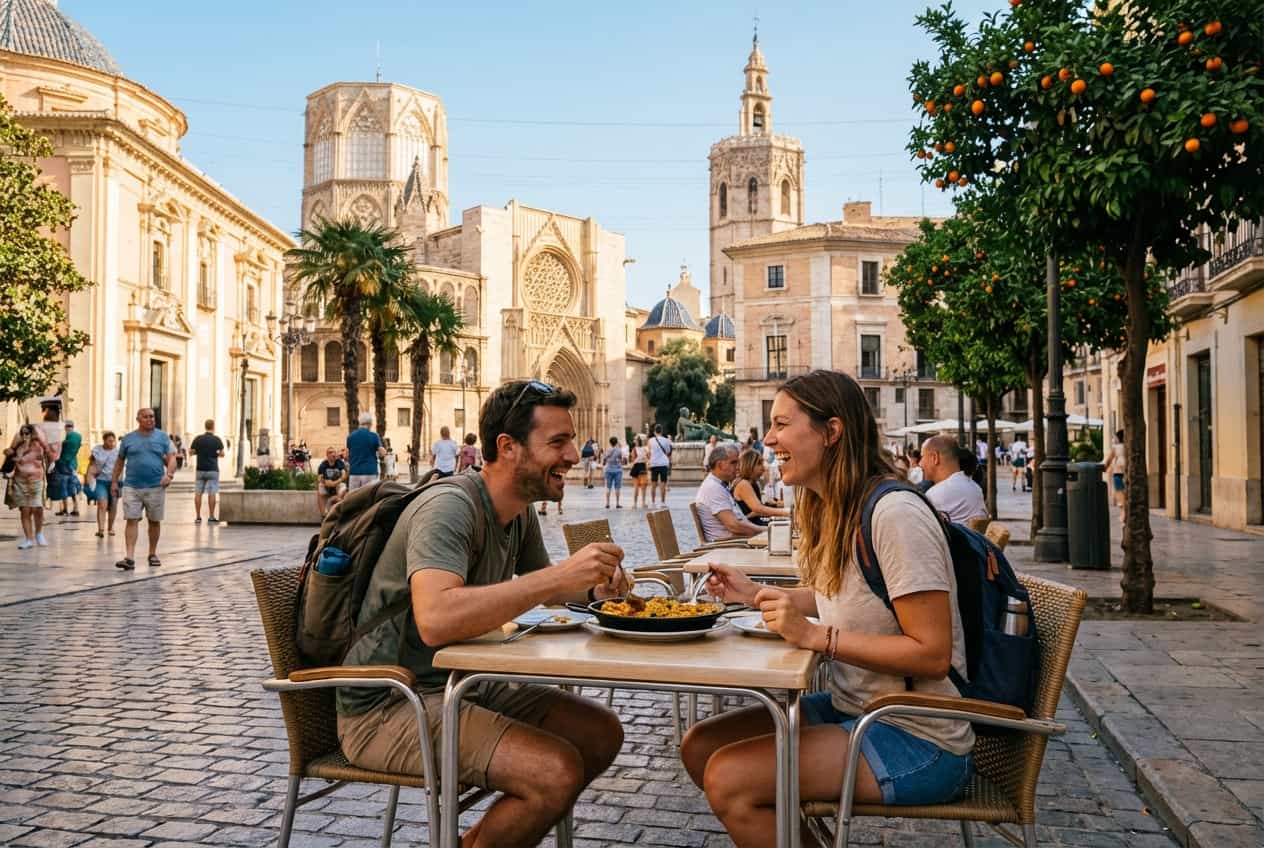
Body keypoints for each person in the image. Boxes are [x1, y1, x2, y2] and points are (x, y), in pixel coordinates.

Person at [682, 371, 974, 845]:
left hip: (916, 732)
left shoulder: (895, 513)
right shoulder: (835, 506)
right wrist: (752, 593)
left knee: (729, 779)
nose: (770, 438)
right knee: (700, 746)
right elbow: (840, 599)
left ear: (831, 431)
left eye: (782, 424)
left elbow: (932, 653)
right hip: (852, 708)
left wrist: (818, 638)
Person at [337, 379, 628, 845]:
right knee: (553, 772)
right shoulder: (450, 506)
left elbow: (552, 594)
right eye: (558, 442)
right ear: (508, 447)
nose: (574, 455)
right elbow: (436, 618)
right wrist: (557, 578)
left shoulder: (519, 511)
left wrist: (594, 589)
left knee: (599, 733)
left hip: (461, 686)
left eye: (571, 440)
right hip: (390, 703)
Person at [112, 408, 176, 570]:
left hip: (156, 486)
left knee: (154, 521)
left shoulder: (162, 437)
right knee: (131, 519)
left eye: (152, 417)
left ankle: (152, 553)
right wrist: (114, 482)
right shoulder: (128, 439)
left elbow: (172, 457)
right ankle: (129, 557)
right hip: (131, 486)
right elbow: (119, 462)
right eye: (146, 417)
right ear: (138, 419)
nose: (150, 419)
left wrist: (169, 475)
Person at [694, 443, 764, 542]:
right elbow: (734, 526)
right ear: (720, 465)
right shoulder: (713, 488)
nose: (738, 467)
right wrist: (766, 531)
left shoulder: (719, 485)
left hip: (736, 542)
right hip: (728, 546)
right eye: (733, 463)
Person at [919, 435, 987, 524]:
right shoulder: (975, 488)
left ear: (935, 458)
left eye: (922, 457)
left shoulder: (935, 495)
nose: (920, 463)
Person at [5, 423, 53, 549]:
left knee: (37, 508)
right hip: (20, 480)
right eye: (23, 433)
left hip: (36, 480)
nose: (25, 436)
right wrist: (10, 452)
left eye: (28, 433)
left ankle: (39, 533)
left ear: (33, 434)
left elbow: (51, 454)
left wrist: (40, 442)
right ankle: (28, 539)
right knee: (25, 510)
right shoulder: (18, 443)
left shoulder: (39, 444)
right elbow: (9, 453)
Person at [730, 448, 788, 526]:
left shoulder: (753, 483)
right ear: (749, 464)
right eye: (759, 463)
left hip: (754, 525)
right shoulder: (743, 484)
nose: (763, 468)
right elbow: (758, 509)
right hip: (750, 529)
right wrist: (786, 512)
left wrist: (776, 505)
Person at [189, 420, 225, 524]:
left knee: (198, 493)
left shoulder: (198, 439)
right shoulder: (217, 440)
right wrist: (216, 453)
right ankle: (211, 516)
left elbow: (191, 452)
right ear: (213, 427)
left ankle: (198, 517)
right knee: (212, 493)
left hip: (200, 469)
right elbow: (222, 454)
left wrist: (198, 452)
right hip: (213, 469)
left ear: (205, 426)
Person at [85, 431, 119, 538]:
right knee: (102, 504)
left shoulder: (118, 452)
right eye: (109, 441)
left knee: (113, 505)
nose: (112, 443)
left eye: (113, 441)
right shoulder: (97, 450)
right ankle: (101, 529)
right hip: (100, 481)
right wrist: (88, 477)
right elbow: (91, 464)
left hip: (114, 481)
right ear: (104, 440)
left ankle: (111, 528)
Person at [51, 419, 83, 516]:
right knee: (72, 486)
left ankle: (64, 509)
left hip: (62, 464)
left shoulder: (65, 437)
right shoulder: (78, 436)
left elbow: (57, 447)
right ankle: (76, 508)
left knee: (63, 486)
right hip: (73, 464)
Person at [346, 413, 386, 490]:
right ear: (370, 423)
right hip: (369, 472)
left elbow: (347, 455)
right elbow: (382, 453)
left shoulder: (350, 436)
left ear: (360, 423)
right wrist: (384, 451)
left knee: (353, 498)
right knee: (369, 498)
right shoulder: (374, 435)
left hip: (354, 472)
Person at [316, 447, 349, 515]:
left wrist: (337, 482)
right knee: (320, 488)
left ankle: (332, 501)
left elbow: (344, 475)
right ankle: (323, 515)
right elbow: (322, 480)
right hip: (327, 485)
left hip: (338, 484)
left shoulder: (339, 462)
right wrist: (333, 483)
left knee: (344, 488)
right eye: (330, 452)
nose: (333, 454)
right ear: (327, 455)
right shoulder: (323, 465)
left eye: (334, 452)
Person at [1104, 429, 1126, 523]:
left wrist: (1105, 468)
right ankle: (1125, 511)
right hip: (1127, 472)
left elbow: (1109, 459)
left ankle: (1123, 512)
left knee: (1119, 492)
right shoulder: (1128, 447)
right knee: (1125, 493)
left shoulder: (1116, 447)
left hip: (1118, 472)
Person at [647, 424, 672, 506]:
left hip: (654, 463)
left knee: (653, 484)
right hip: (663, 463)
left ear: (654, 431)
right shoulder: (666, 440)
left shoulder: (650, 441)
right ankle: (662, 502)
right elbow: (668, 451)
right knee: (663, 484)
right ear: (661, 431)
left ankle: (653, 502)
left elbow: (649, 451)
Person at [601, 436, 625, 509]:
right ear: (616, 442)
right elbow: (621, 460)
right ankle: (617, 503)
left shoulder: (608, 450)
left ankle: (607, 503)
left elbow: (604, 460)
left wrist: (605, 462)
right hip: (618, 470)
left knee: (608, 487)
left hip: (609, 470)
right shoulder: (619, 450)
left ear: (610, 443)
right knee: (617, 488)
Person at [628, 434, 649, 508]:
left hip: (636, 468)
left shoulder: (634, 449)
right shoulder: (645, 449)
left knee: (636, 487)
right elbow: (647, 458)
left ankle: (635, 504)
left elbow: (632, 459)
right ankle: (643, 503)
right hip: (642, 467)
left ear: (636, 442)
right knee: (643, 487)